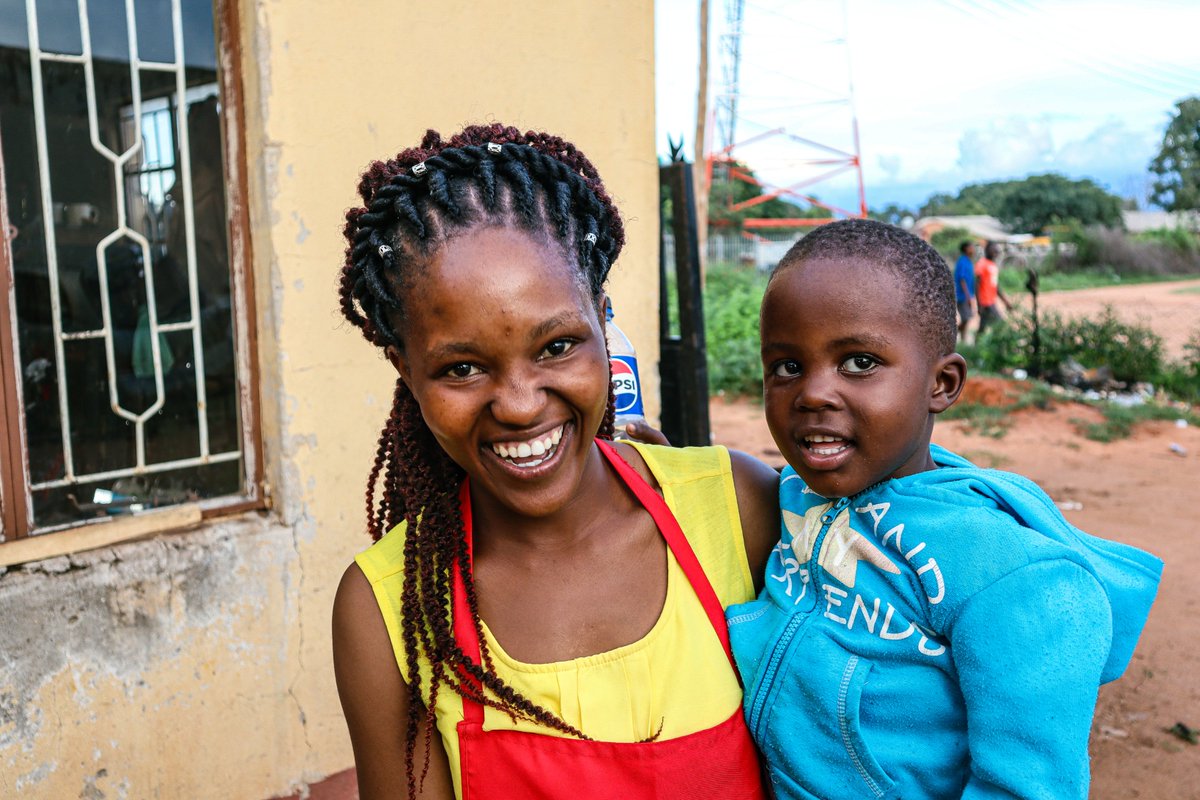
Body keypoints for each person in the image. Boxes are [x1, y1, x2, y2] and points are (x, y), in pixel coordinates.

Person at [331, 123, 779, 800]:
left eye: (557, 347)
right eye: (461, 367)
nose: (517, 404)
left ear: (602, 322)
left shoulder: (734, 509)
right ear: (406, 369)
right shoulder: (388, 608)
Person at [726, 218, 1162, 799]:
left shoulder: (1007, 578)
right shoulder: (801, 496)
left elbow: (1028, 787)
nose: (813, 393)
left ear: (942, 383)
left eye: (859, 362)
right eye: (786, 366)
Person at [974, 240, 1012, 336]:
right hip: (986, 302)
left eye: (996, 250)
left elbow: (995, 285)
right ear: (987, 250)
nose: (995, 251)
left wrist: (1005, 301)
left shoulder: (993, 265)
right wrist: (979, 304)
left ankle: (975, 347)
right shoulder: (981, 264)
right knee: (1000, 324)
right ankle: (996, 345)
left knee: (983, 326)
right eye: (993, 249)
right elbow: (976, 285)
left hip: (991, 300)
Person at [953, 240, 976, 344]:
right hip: (962, 296)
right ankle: (956, 335)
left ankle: (962, 338)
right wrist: (968, 296)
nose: (973, 249)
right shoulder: (962, 261)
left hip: (967, 295)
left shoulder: (968, 261)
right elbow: (962, 280)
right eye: (971, 247)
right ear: (966, 249)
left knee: (967, 318)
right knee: (966, 318)